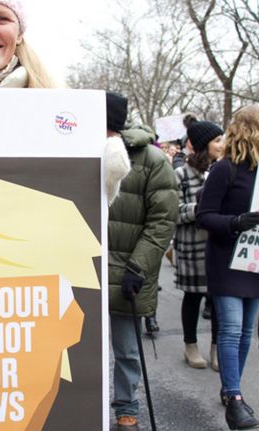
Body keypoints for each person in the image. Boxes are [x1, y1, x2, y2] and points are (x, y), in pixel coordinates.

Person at [196, 104, 259, 430]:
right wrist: (235, 223)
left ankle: (233, 392)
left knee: (245, 334)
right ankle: (235, 397)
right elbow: (204, 216)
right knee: (229, 329)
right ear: (256, 130)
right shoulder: (224, 170)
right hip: (227, 260)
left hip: (255, 262)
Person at [107, 91, 178, 430]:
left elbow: (163, 220)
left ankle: (127, 408)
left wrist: (139, 266)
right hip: (85, 269)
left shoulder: (152, 160)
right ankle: (81, 403)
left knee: (127, 350)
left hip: (127, 271)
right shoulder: (76, 151)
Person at [174, 120, 224, 371]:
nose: (222, 145)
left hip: (215, 243)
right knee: (192, 296)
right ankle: (190, 345)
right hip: (191, 245)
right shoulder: (180, 174)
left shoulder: (221, 171)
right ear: (204, 145)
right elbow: (172, 212)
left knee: (217, 297)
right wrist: (198, 209)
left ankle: (216, 347)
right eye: (217, 140)